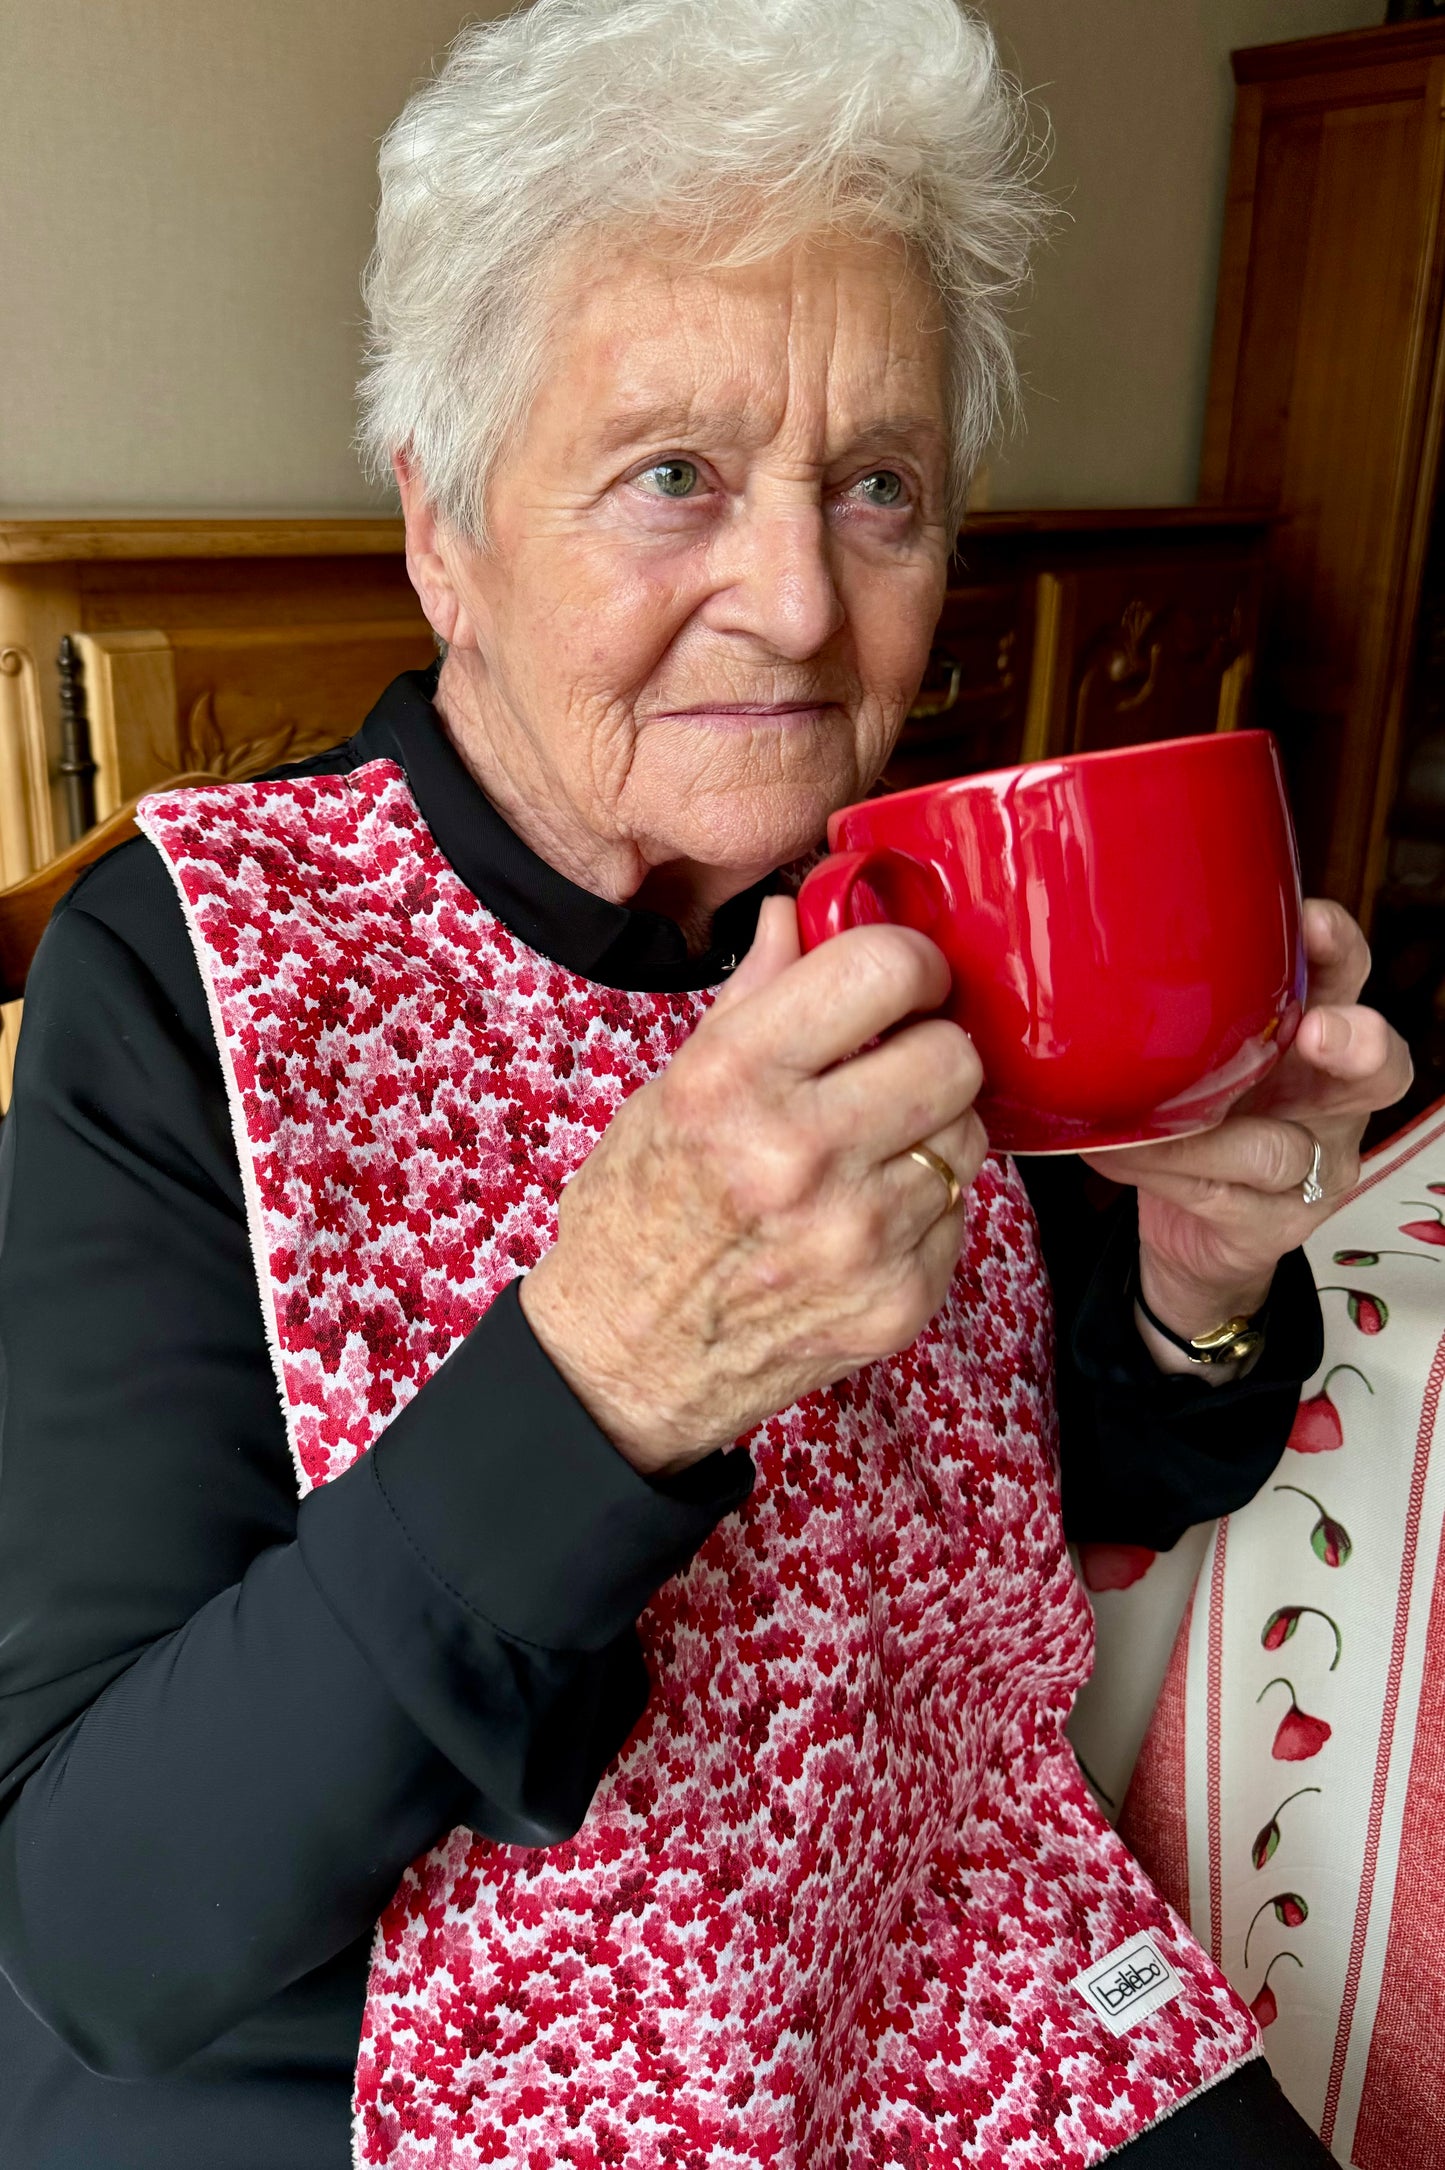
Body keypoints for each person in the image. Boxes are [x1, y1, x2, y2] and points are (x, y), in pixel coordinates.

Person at [0, 3, 1408, 2165]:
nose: (798, 601)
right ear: (443, 525)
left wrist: (1200, 1272)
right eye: (674, 474)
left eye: (878, 487)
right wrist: (601, 1374)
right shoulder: (192, 968)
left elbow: (1059, 1468)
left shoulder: (928, 890)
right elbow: (100, 1914)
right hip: (418, 2070)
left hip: (961, 1991)